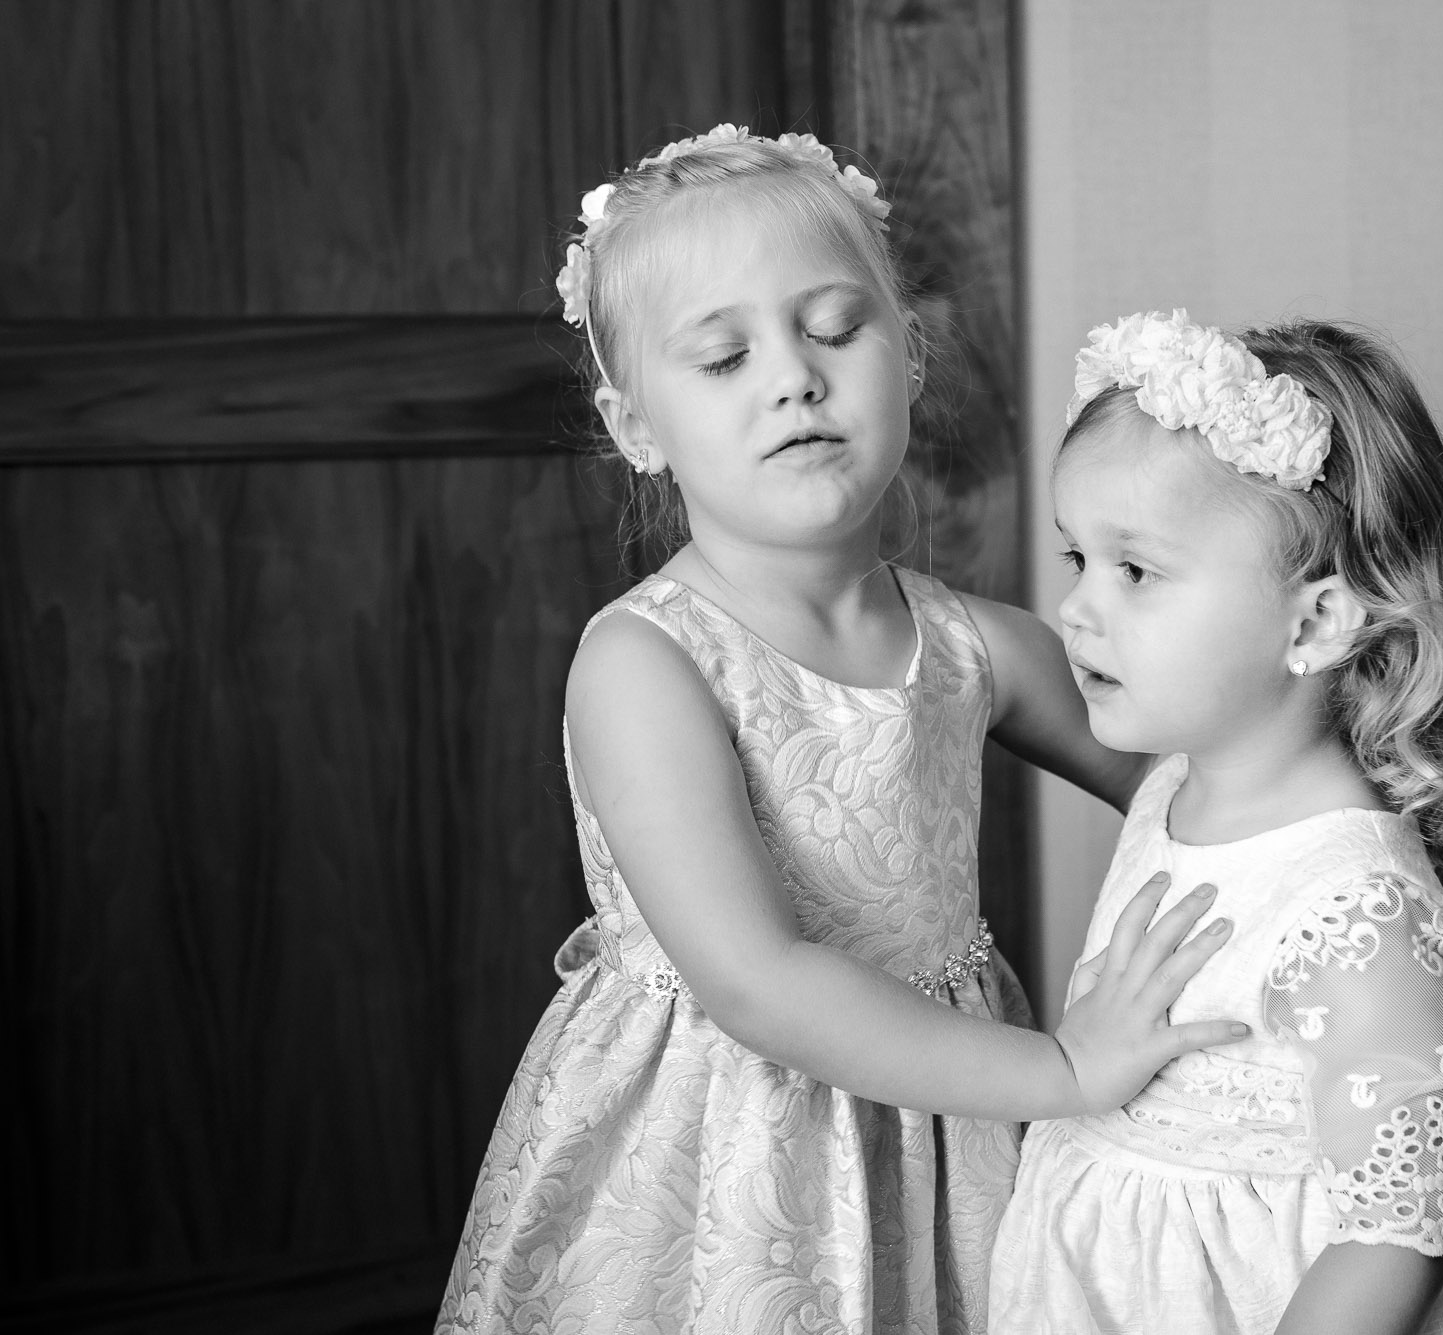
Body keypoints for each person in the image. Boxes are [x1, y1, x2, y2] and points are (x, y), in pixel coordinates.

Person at [436, 130, 1248, 1335]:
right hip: (725, 1146)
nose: (792, 379)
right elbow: (757, 983)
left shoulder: (975, 647)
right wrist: (1066, 1072)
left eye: (831, 328)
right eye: (723, 357)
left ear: (908, 356)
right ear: (635, 424)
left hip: (946, 1123)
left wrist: (1330, 877)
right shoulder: (645, 665)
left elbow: (1210, 783)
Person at [990, 311, 1443, 1335]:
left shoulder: (1353, 913)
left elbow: (1400, 1228)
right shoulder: (1177, 781)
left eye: (1133, 570)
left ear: (1315, 621)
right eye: (1076, 558)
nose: (1078, 610)